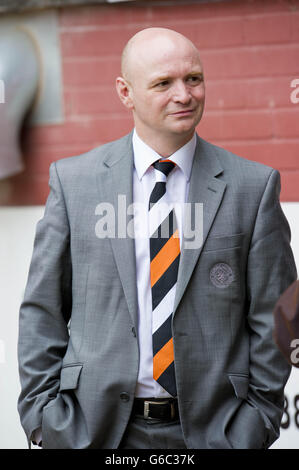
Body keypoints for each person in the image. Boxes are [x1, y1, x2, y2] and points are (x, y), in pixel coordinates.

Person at [17, 27, 297, 449]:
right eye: (163, 83)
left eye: (194, 79)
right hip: (93, 431)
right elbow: (42, 309)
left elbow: (276, 317)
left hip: (213, 432)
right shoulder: (74, 183)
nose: (184, 95)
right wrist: (44, 418)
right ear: (125, 92)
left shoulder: (252, 188)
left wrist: (257, 422)